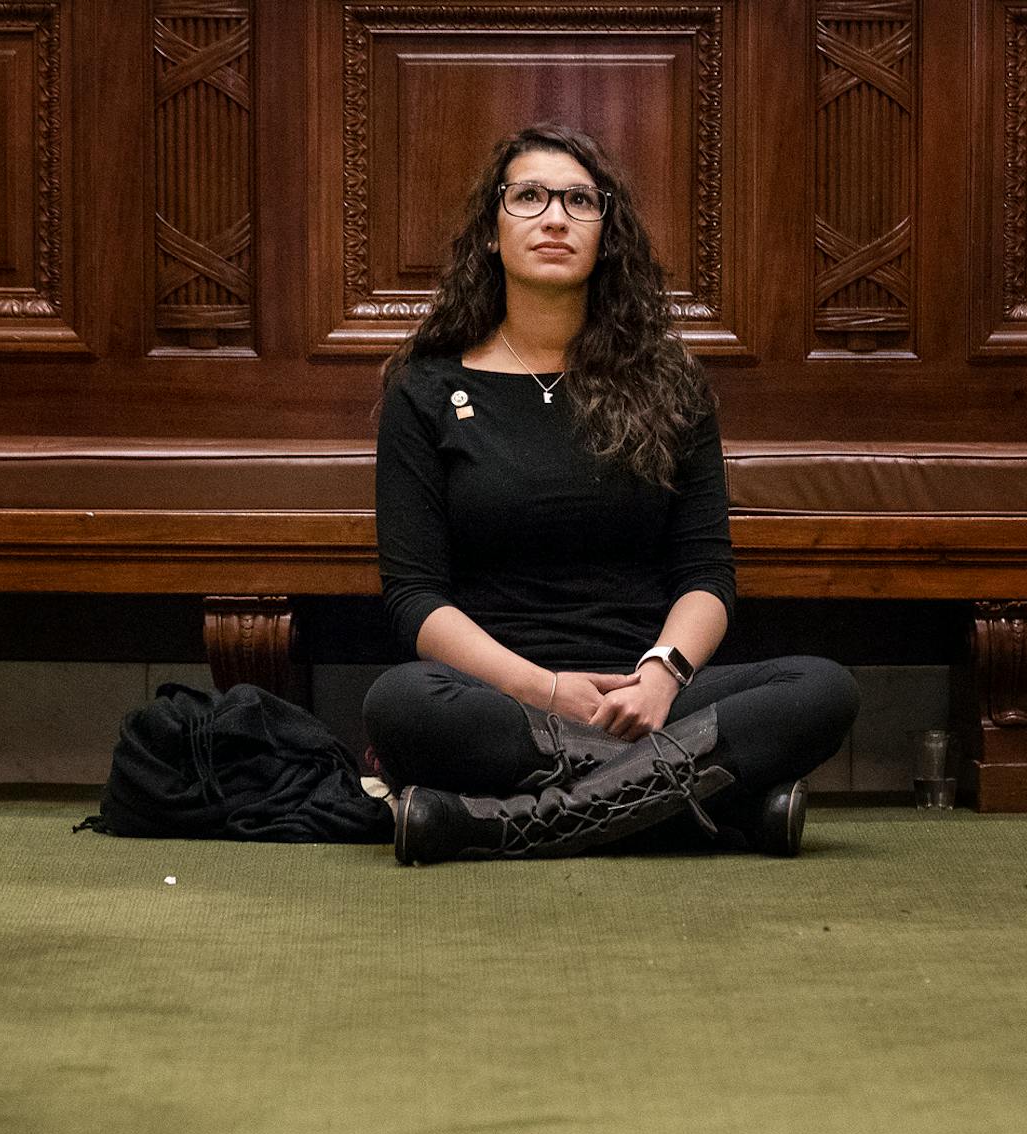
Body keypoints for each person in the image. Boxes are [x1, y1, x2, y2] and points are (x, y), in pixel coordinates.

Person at [364, 123, 858, 866]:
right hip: (505, 700)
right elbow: (414, 598)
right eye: (528, 196)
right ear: (492, 233)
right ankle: (706, 814)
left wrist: (662, 675)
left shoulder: (669, 385)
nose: (554, 217)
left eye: (579, 201)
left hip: (648, 698)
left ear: (606, 234)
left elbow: (707, 576)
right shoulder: (427, 389)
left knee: (822, 688)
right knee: (398, 704)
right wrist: (544, 689)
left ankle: (490, 825)